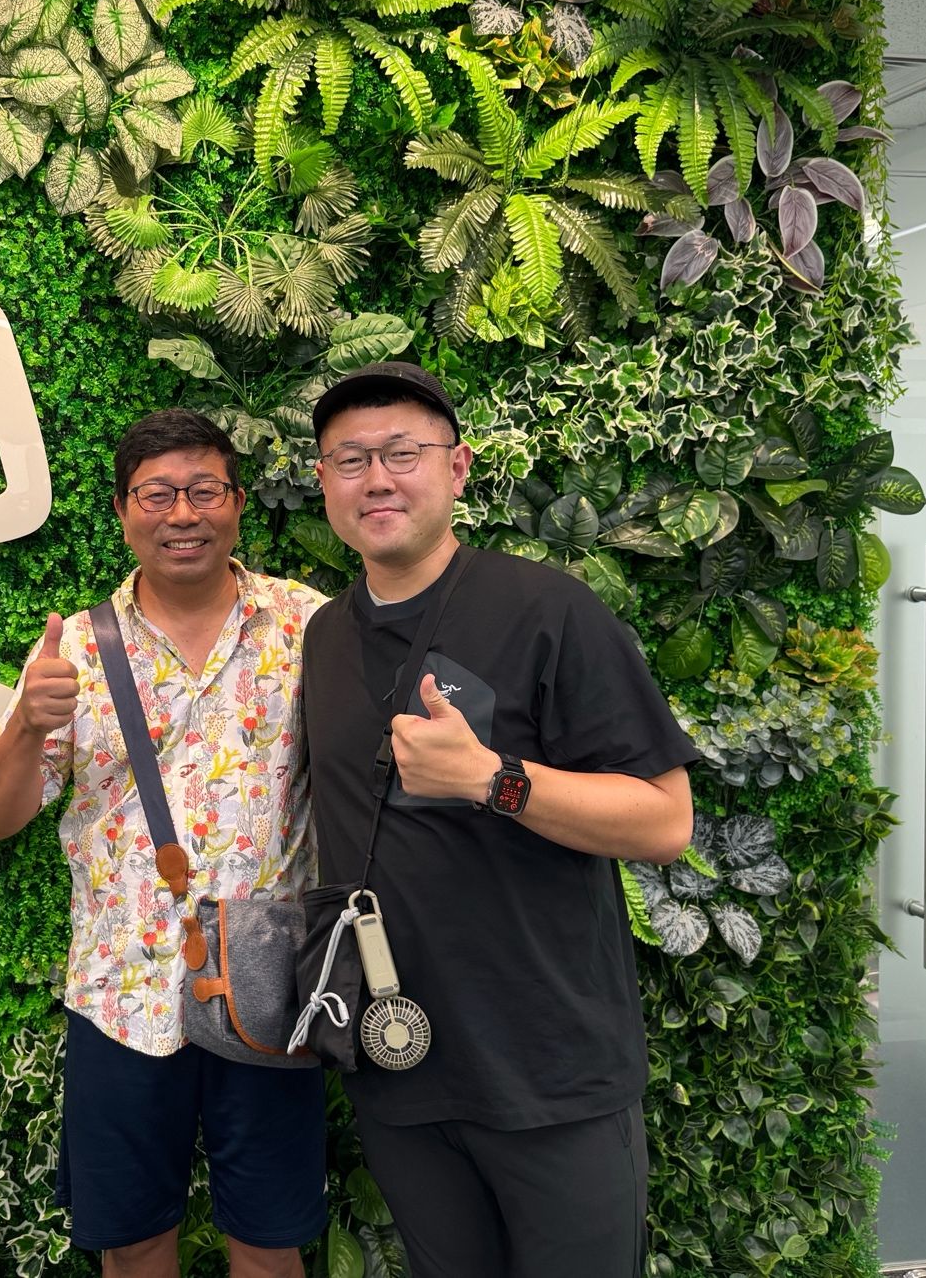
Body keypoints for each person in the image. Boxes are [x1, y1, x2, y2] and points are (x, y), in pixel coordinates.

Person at [298, 362, 698, 1278]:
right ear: (324, 482)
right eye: (350, 460)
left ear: (458, 467)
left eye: (403, 453)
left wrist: (493, 779)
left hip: (551, 1074)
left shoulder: (547, 609)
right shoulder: (324, 636)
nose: (377, 479)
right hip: (398, 1062)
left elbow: (664, 820)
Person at [0, 408, 327, 1278]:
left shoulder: (307, 625)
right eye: (157, 495)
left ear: (237, 501)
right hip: (121, 992)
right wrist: (27, 726)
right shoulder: (74, 651)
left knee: (272, 1244)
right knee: (130, 1245)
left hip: (268, 989)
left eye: (204, 490)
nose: (183, 514)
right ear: (124, 511)